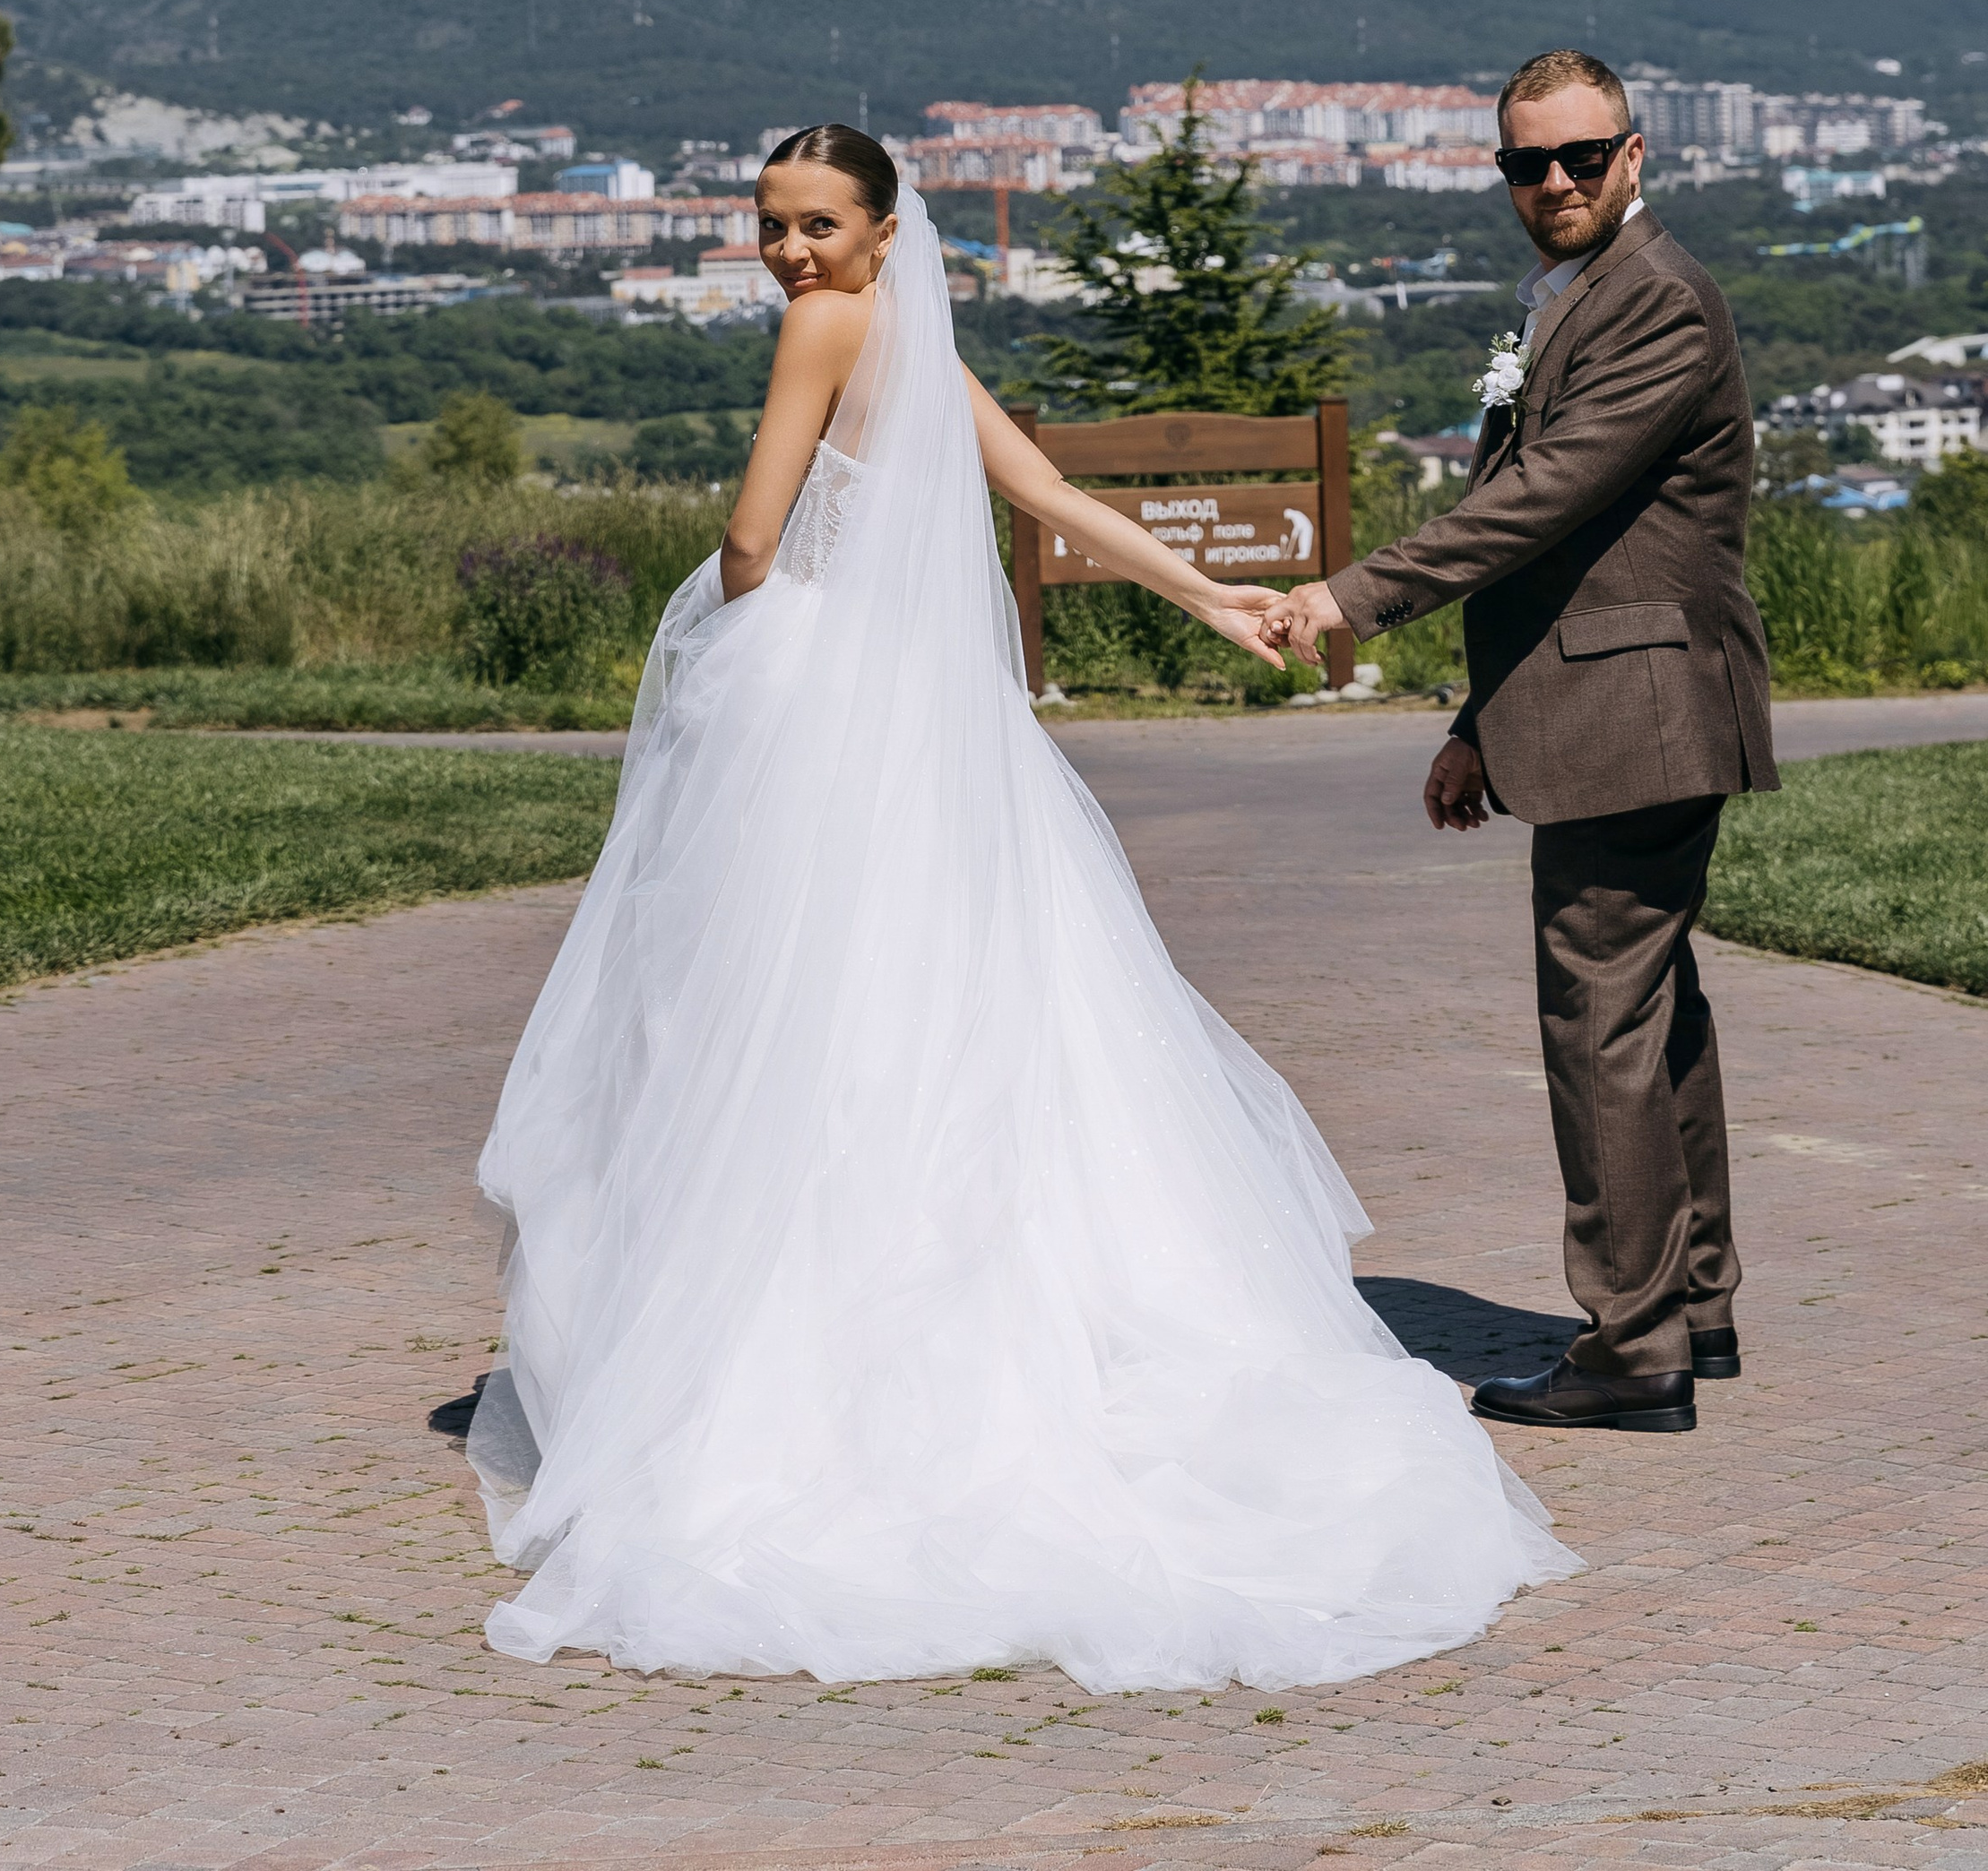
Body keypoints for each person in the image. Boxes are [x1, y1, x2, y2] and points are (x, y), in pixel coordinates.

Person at [465, 124, 1574, 1691]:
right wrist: (1211, 594)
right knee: (966, 1007)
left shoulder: (826, 328)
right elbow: (1045, 491)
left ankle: (787, 1368)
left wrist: (722, 643)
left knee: (780, 1019)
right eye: (772, 226)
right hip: (941, 728)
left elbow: (753, 534)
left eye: (816, 224)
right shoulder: (917, 330)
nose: (789, 251)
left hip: (820, 701)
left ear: (879, 224)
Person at [1266, 49, 1775, 1439]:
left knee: (1600, 1015)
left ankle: (1629, 1345)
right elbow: (1556, 538)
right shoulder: (1581, 292)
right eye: (1522, 164)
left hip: (1643, 711)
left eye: (1578, 156)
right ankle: (1696, 1303)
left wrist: (1351, 594)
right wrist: (1475, 723)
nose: (1551, 183)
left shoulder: (1658, 302)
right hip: (1605, 703)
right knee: (1655, 1010)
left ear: (1636, 153)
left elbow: (1543, 500)